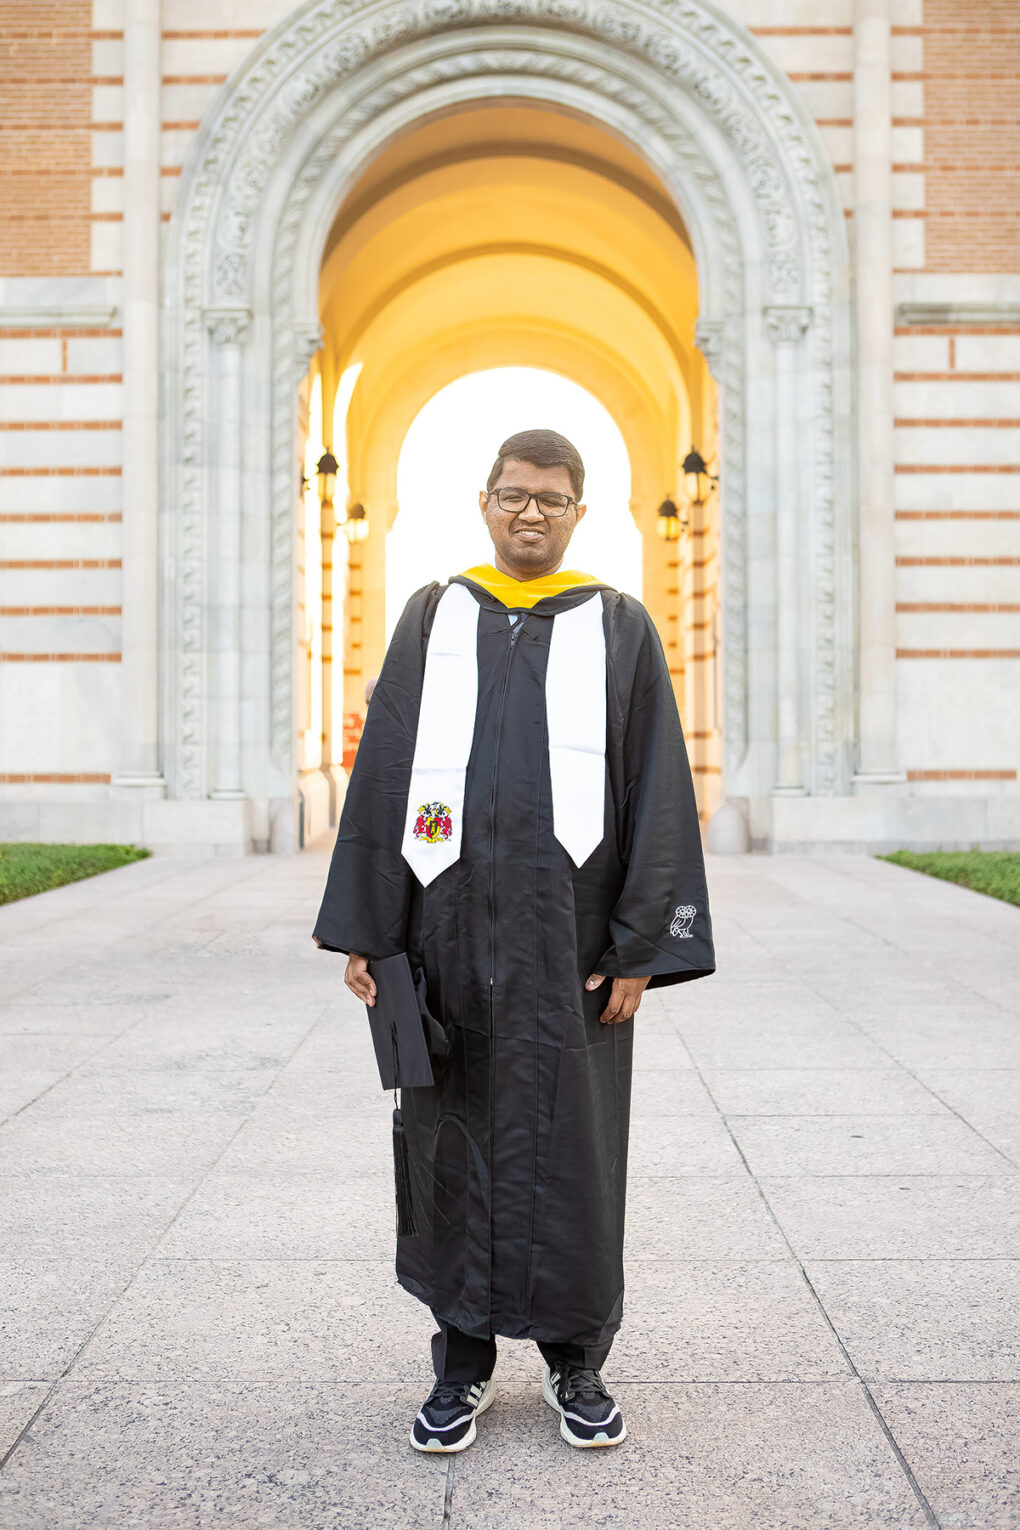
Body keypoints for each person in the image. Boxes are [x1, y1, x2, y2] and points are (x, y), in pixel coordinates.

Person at [313, 428, 714, 1453]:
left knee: (574, 1150)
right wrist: (369, 929)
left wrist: (638, 947)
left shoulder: (619, 629)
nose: (529, 512)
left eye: (550, 498)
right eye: (512, 496)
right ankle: (462, 1364)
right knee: (450, 1148)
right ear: (484, 503)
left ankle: (577, 1364)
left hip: (569, 949)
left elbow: (657, 790)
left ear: (581, 511)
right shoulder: (434, 616)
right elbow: (390, 768)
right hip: (446, 941)